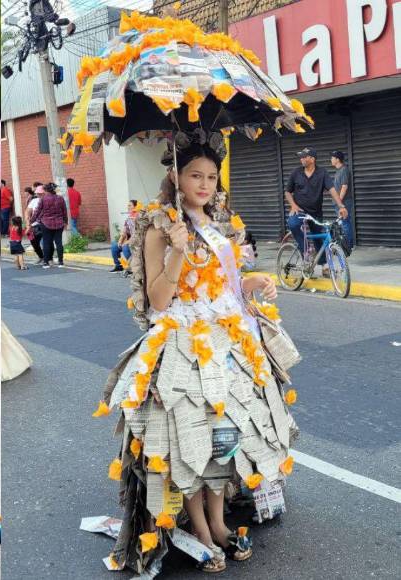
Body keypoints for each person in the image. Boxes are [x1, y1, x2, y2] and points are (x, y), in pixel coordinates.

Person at [97, 133, 298, 576]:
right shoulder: (158, 227)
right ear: (176, 177)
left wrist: (256, 283)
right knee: (191, 441)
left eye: (211, 177)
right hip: (181, 344)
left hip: (227, 342)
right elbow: (159, 300)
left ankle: (221, 522)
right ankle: (203, 532)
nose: (205, 184)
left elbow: (227, 287)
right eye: (195, 176)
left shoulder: (219, 222)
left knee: (226, 434)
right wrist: (177, 252)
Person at [284, 146, 348, 277]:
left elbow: (332, 190)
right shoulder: (296, 173)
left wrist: (341, 206)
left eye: (304, 156)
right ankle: (306, 253)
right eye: (300, 156)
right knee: (293, 224)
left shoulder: (322, 173)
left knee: (319, 237)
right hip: (300, 211)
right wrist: (293, 205)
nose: (301, 159)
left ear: (312, 159)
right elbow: (287, 192)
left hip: (315, 212)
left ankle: (324, 267)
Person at [31, 182, 67, 268]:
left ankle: (46, 263)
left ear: (46, 190)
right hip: (59, 223)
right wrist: (65, 222)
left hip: (46, 223)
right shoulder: (60, 198)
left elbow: (37, 211)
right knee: (59, 242)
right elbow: (64, 211)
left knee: (47, 242)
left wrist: (31, 221)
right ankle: (61, 262)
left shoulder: (43, 199)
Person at [330, 150, 354, 249]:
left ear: (337, 159)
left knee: (345, 222)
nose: (330, 160)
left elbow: (344, 186)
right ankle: (347, 244)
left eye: (332, 158)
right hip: (340, 202)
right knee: (343, 223)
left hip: (344, 202)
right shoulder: (339, 171)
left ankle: (348, 246)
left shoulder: (344, 170)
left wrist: (339, 201)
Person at [110, 199, 138, 273]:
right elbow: (124, 231)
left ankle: (132, 267)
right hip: (129, 240)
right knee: (114, 246)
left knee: (125, 247)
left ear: (135, 207)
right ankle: (118, 266)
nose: (128, 207)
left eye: (130, 205)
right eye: (128, 206)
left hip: (137, 240)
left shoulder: (138, 218)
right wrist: (120, 240)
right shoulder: (129, 218)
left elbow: (137, 233)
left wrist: (127, 242)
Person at [24, 183, 45, 264]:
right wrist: (27, 223)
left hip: (46, 224)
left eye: (40, 193)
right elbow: (27, 212)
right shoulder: (34, 200)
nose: (39, 194)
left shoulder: (47, 200)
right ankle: (41, 257)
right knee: (34, 242)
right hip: (34, 225)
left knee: (46, 242)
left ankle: (48, 258)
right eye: (38, 193)